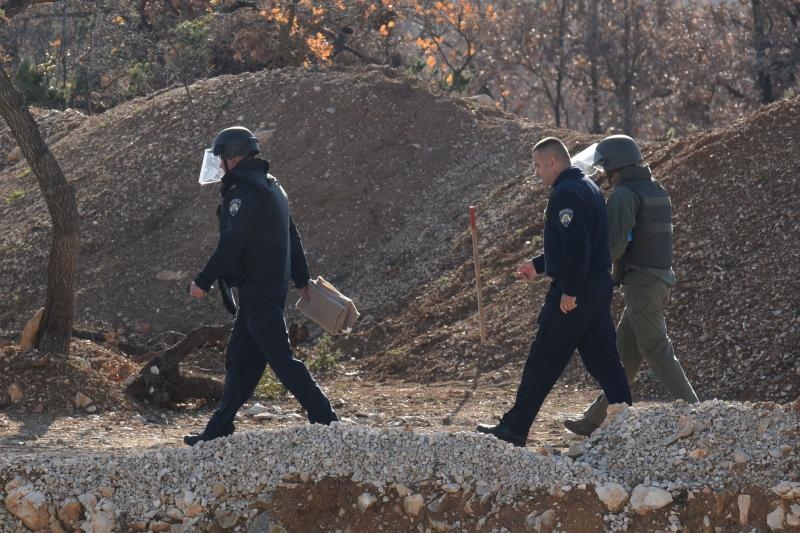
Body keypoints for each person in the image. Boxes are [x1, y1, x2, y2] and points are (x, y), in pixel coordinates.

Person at [184, 126, 338, 445]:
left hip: (258, 290)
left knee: (281, 360)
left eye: (222, 158)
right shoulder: (271, 186)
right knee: (241, 359)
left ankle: (326, 418)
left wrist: (203, 280)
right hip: (267, 288)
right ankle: (219, 427)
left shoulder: (244, 192)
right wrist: (300, 278)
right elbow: (292, 235)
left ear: (233, 157)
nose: (220, 166)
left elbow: (233, 243)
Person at [476, 137, 632, 447]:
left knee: (543, 358)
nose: (536, 172)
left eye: (537, 165)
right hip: (598, 284)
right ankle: (628, 420)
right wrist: (538, 265)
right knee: (603, 357)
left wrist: (570, 290)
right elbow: (575, 245)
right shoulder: (588, 186)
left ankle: (514, 428)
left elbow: (577, 247)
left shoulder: (566, 193)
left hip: (579, 289)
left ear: (553, 161)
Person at [564, 135, 698, 437]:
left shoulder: (625, 194)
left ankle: (698, 412)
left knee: (655, 348)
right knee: (625, 355)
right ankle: (594, 419)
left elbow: (614, 247)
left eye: (605, 169)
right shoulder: (655, 188)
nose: (603, 175)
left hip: (642, 282)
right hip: (656, 280)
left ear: (615, 167)